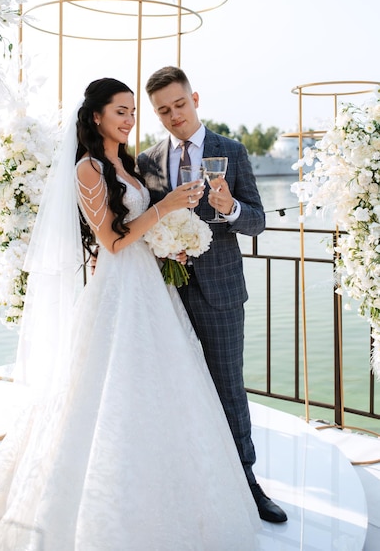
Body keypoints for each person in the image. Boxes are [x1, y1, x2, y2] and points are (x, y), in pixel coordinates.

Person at [0, 78, 260, 550]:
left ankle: (231, 482)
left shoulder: (128, 163)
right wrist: (163, 211)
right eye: (121, 111)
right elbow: (113, 242)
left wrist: (171, 244)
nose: (129, 119)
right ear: (97, 115)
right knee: (113, 389)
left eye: (132, 112)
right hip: (120, 290)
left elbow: (141, 229)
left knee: (180, 387)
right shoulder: (87, 168)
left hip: (156, 285)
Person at [137, 66, 288, 524]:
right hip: (166, 294)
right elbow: (146, 222)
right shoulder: (147, 161)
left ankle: (247, 484)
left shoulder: (233, 151)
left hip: (221, 292)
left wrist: (231, 207)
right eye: (163, 111)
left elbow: (258, 221)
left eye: (179, 105)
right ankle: (188, 479)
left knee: (228, 388)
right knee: (174, 388)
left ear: (195, 98)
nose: (173, 116)